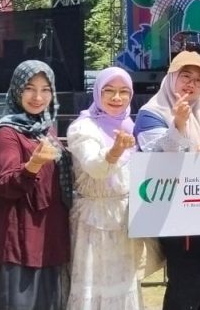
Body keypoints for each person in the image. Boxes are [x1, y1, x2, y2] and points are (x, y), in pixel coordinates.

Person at [132, 51, 200, 310]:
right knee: (188, 285)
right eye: (185, 76)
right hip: (180, 214)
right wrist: (178, 124)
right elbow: (156, 158)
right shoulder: (152, 112)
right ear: (171, 77)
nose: (192, 84)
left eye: (199, 80)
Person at [0, 60, 71, 310]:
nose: (38, 97)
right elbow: (5, 184)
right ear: (17, 89)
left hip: (48, 238)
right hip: (18, 242)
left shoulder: (44, 129)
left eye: (45, 89)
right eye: (29, 88)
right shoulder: (6, 133)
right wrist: (33, 164)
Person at [68, 67, 162, 310]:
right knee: (94, 285)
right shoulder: (83, 128)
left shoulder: (130, 125)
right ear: (98, 92)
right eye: (109, 91)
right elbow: (95, 167)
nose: (117, 98)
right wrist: (114, 152)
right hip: (94, 219)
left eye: (124, 92)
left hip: (124, 218)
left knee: (123, 285)